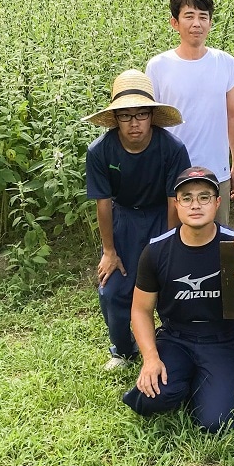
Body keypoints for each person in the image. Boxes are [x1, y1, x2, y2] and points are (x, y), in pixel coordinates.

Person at [121, 167, 234, 432]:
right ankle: (191, 379)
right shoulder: (156, 250)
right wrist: (150, 358)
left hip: (221, 338)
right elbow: (140, 310)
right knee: (151, 400)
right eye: (187, 197)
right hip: (175, 337)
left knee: (217, 422)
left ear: (217, 203)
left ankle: (216, 385)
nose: (196, 205)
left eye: (204, 197)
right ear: (176, 203)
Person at [84, 70, 190, 370]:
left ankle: (172, 344)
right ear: (115, 118)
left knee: (171, 283)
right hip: (125, 219)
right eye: (125, 115)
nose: (134, 123)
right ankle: (122, 349)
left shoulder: (172, 148)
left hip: (163, 215)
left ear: (152, 116)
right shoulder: (100, 151)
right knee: (113, 288)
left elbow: (175, 200)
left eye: (141, 114)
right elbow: (103, 203)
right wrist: (109, 251)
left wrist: (171, 244)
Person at [146, 0, 234, 226]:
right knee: (173, 239)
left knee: (217, 239)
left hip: (216, 170)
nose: (196, 23)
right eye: (189, 16)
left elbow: (233, 116)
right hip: (172, 171)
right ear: (174, 23)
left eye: (203, 16)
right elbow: (152, 121)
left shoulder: (224, 63)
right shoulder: (158, 66)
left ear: (210, 23)